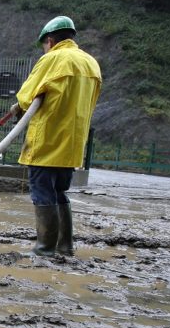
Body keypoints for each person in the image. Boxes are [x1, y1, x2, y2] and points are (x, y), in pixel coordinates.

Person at [10, 15, 102, 257]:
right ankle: (65, 246)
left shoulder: (52, 59)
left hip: (47, 141)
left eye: (44, 44)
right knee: (60, 192)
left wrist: (17, 107)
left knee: (42, 192)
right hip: (72, 145)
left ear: (50, 40)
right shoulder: (91, 63)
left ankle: (45, 248)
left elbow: (26, 96)